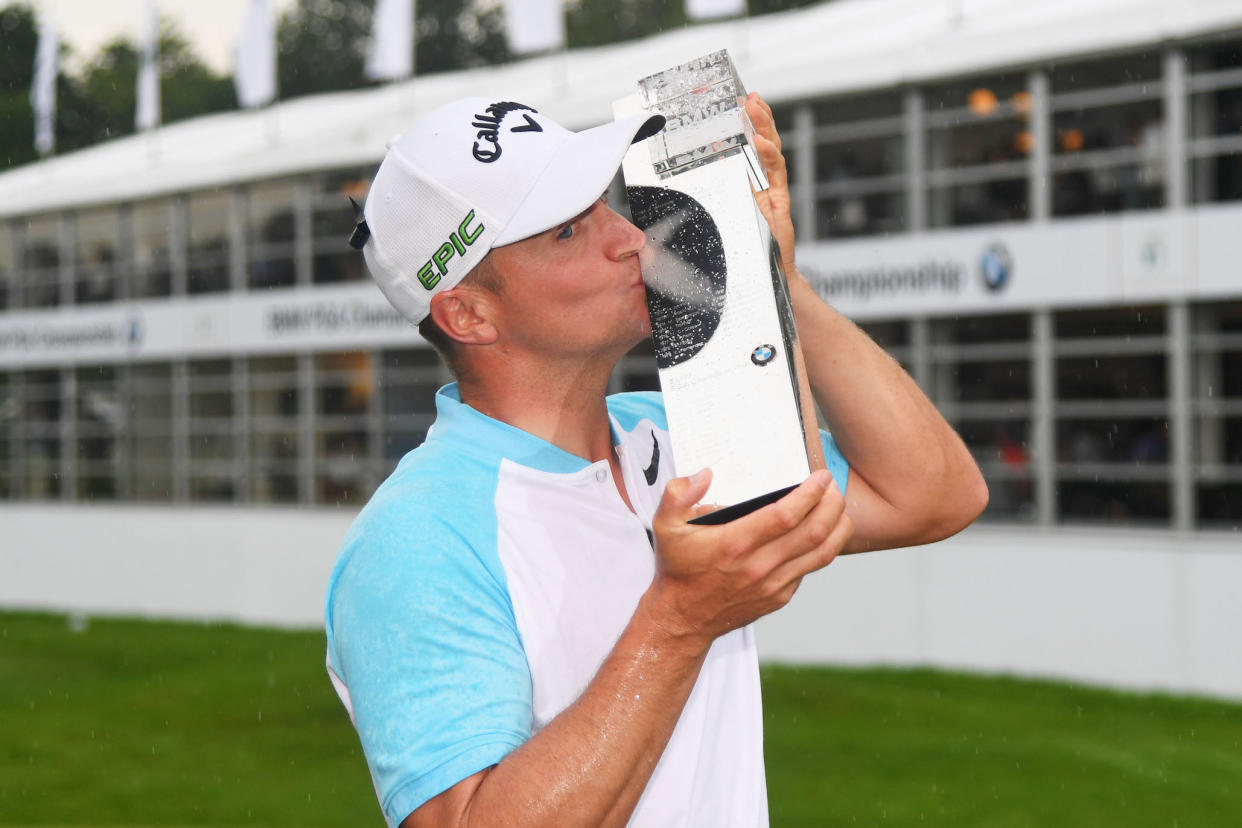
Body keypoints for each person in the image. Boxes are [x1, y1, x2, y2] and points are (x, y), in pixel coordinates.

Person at [325, 92, 988, 828]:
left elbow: (932, 495)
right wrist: (680, 620)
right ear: (468, 314)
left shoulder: (676, 427)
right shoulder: (416, 537)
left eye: (605, 202)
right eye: (569, 231)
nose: (630, 238)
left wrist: (780, 284)